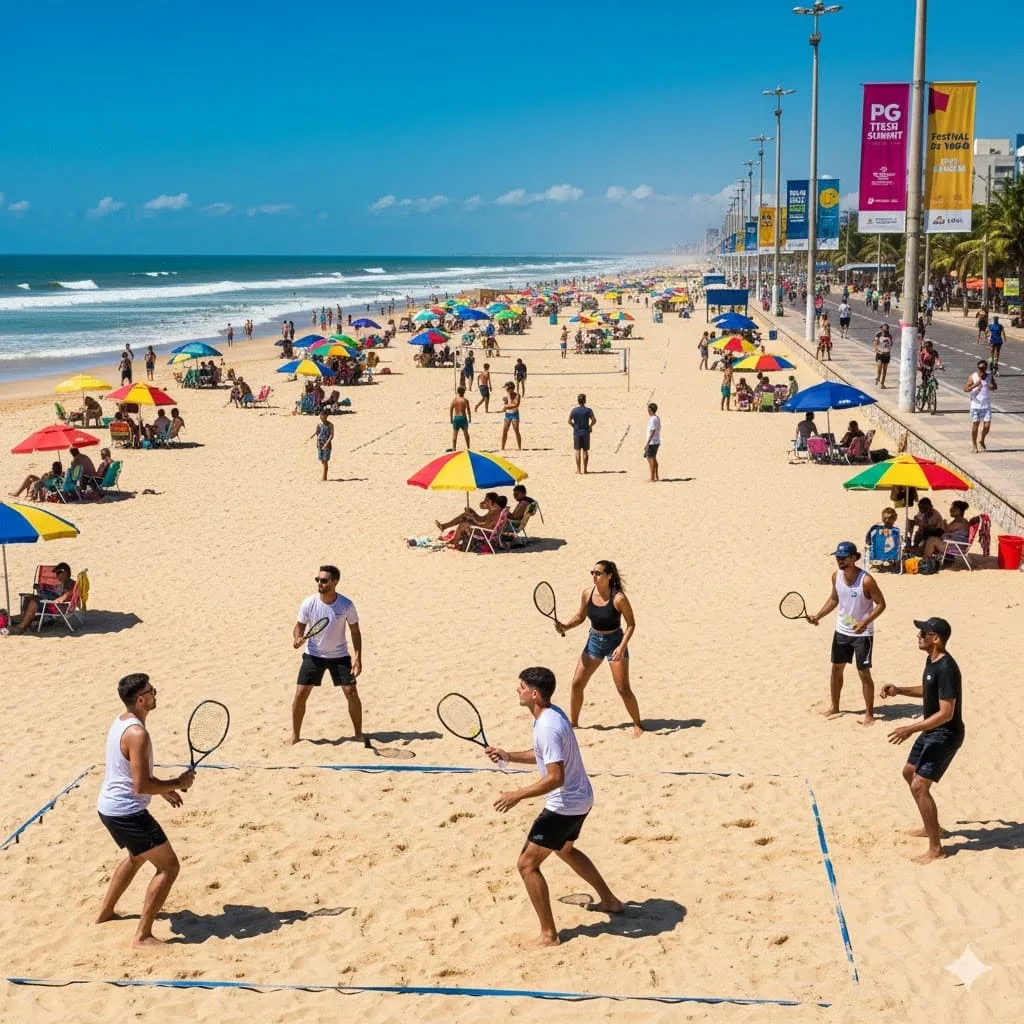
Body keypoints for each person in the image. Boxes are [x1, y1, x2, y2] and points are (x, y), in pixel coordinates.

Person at [484, 666, 623, 947]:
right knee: (565, 849)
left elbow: (555, 777)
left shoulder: (546, 726)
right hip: (582, 798)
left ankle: (548, 935)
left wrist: (518, 794)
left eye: (521, 686)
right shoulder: (551, 714)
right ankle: (610, 901)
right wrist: (508, 755)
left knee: (527, 865)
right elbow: (542, 757)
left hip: (565, 805)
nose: (517, 690)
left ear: (534, 694)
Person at [95, 673, 195, 947]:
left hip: (109, 807)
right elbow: (140, 785)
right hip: (127, 812)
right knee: (169, 867)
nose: (155, 693)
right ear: (141, 699)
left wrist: (162, 790)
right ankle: (142, 936)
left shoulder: (123, 721)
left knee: (137, 856)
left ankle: (105, 913)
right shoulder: (138, 734)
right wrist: (177, 782)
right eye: (152, 690)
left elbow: (131, 774)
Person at [881, 617, 964, 864]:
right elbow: (928, 690)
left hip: (945, 734)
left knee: (919, 785)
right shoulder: (932, 661)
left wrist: (910, 728)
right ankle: (931, 828)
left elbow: (946, 712)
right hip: (932, 730)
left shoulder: (947, 667)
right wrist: (900, 690)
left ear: (935, 639)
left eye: (923, 633)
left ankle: (936, 849)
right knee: (909, 773)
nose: (919, 636)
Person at [553, 561, 642, 737]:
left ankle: (638, 725)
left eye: (599, 573)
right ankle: (574, 724)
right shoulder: (587, 593)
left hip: (615, 642)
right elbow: (580, 616)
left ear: (609, 576)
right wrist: (565, 626)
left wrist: (622, 647)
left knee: (623, 688)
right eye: (592, 572)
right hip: (594, 641)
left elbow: (631, 624)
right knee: (577, 684)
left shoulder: (619, 598)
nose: (594, 576)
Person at [806, 542, 886, 724]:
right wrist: (818, 615)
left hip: (863, 635)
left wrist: (865, 622)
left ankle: (869, 714)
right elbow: (834, 599)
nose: (840, 561)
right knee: (836, 669)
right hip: (842, 630)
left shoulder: (866, 580)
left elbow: (881, 604)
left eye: (843, 558)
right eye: (838, 558)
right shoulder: (836, 577)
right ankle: (834, 706)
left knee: (863, 672)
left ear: (853, 558)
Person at [291, 565, 362, 744]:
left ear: (335, 582)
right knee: (300, 694)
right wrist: (297, 638)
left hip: (339, 657)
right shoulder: (309, 603)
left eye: (323, 580)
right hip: (313, 655)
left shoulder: (346, 604)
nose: (319, 583)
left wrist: (358, 657)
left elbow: (355, 631)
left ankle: (359, 734)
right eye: (318, 580)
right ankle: (295, 736)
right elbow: (299, 625)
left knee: (351, 692)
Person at [965, 360, 997, 452]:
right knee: (976, 425)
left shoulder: (989, 377)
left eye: (983, 368)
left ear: (986, 368)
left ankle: (982, 440)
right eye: (979, 368)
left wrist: (991, 386)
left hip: (986, 405)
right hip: (975, 405)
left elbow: (995, 387)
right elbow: (965, 389)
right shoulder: (973, 377)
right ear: (977, 368)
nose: (981, 370)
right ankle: (974, 445)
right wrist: (974, 385)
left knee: (987, 426)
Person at [568, 394, 596, 474]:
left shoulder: (574, 410)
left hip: (577, 432)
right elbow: (594, 420)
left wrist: (574, 426)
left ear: (578, 401)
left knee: (577, 451)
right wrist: (590, 426)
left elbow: (569, 421)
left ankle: (578, 470)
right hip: (585, 432)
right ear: (585, 401)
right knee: (585, 451)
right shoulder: (588, 410)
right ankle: (585, 470)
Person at [312, 411, 334, 482]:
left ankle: (324, 477)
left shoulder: (330, 425)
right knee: (322, 460)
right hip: (320, 443)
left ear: (326, 416)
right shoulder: (319, 424)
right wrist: (317, 443)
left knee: (325, 461)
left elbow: (331, 435)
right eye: (321, 415)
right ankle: (324, 477)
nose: (322, 417)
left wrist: (326, 443)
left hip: (327, 444)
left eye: (323, 415)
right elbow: (317, 433)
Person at [449, 386, 472, 451]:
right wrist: (470, 418)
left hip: (456, 417)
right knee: (466, 433)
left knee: (455, 434)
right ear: (464, 392)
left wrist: (451, 418)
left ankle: (454, 448)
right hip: (463, 417)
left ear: (458, 392)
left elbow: (451, 409)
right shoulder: (465, 400)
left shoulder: (455, 400)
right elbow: (468, 410)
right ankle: (468, 447)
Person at [501, 382, 522, 451]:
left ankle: (519, 447)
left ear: (511, 389)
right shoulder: (507, 395)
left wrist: (506, 406)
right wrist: (507, 406)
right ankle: (502, 448)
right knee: (504, 431)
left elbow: (516, 405)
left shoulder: (517, 395)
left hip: (515, 414)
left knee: (516, 431)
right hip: (508, 414)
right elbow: (509, 404)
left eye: (507, 389)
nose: (506, 390)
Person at [644, 402, 661, 482]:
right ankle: (656, 475)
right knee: (653, 459)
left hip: (653, 442)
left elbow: (652, 431)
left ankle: (652, 478)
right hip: (656, 441)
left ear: (651, 410)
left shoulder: (653, 419)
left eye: (649, 410)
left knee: (650, 459)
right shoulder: (656, 418)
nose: (648, 411)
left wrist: (647, 443)